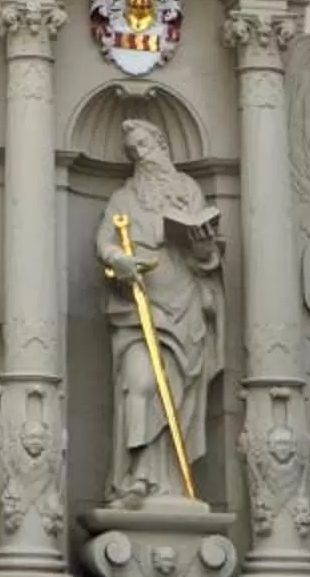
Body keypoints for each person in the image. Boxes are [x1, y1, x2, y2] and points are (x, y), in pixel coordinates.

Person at [95, 115, 225, 504]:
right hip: (139, 306)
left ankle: (167, 482)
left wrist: (203, 247)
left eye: (144, 146)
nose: (140, 156)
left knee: (179, 393)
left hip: (185, 305)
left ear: (162, 147)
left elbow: (208, 254)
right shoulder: (123, 198)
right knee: (140, 382)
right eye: (133, 151)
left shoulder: (187, 190)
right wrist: (117, 258)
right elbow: (104, 241)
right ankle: (134, 477)